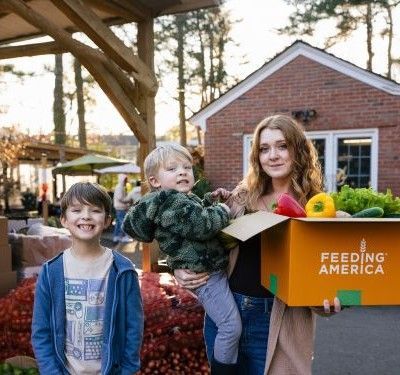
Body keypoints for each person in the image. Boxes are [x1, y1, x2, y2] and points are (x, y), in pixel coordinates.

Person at [174, 114, 341, 375]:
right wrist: (179, 268)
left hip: (278, 319)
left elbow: (333, 267)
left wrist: (331, 300)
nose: (272, 155)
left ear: (298, 150)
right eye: (264, 149)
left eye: (282, 146)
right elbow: (198, 240)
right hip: (228, 311)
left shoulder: (317, 207)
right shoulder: (241, 197)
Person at [123, 143, 241, 374]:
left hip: (206, 272)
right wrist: (223, 211)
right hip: (205, 277)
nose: (182, 171)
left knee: (222, 324)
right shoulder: (169, 202)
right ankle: (224, 370)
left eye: (187, 167)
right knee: (230, 327)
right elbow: (202, 226)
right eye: (172, 168)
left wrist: (211, 200)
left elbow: (194, 215)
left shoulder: (180, 200)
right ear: (155, 181)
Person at [31, 182, 143, 374]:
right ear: (64, 220)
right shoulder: (51, 272)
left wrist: (127, 370)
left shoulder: (123, 270)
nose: (86, 216)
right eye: (76, 210)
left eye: (95, 210)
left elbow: (134, 327)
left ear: (108, 220)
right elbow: (41, 332)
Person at [113, 174, 132, 243]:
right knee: (123, 223)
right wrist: (128, 200)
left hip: (119, 207)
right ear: (122, 179)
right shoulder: (120, 187)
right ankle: (124, 237)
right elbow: (120, 198)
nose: (126, 181)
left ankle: (116, 237)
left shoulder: (120, 187)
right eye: (125, 179)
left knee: (118, 223)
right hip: (120, 207)